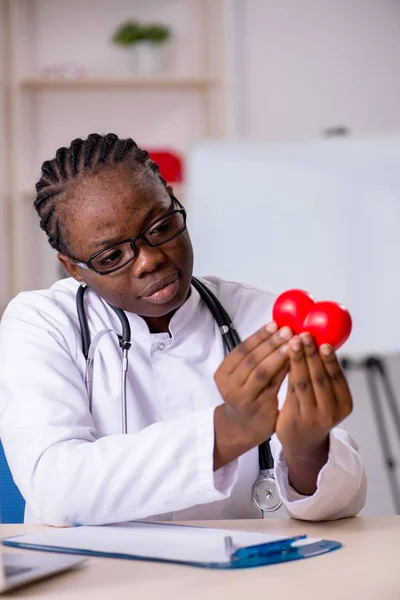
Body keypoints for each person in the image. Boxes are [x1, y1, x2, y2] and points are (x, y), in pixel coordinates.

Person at [0, 133, 366, 526]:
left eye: (160, 226)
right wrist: (229, 430)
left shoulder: (262, 317)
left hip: (236, 578)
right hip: (95, 580)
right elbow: (56, 489)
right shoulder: (40, 324)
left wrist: (308, 449)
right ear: (74, 269)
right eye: (111, 256)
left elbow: (341, 504)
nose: (150, 261)